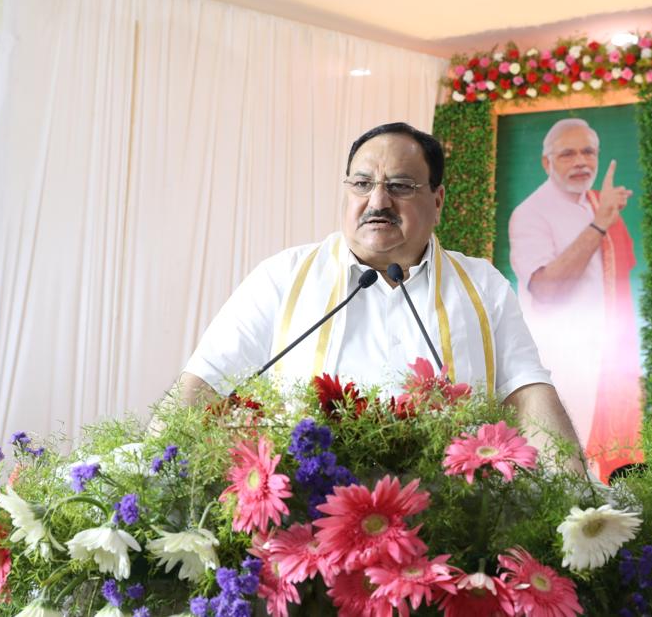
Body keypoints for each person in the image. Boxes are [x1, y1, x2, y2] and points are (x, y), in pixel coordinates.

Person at [171, 122, 580, 459]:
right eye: (362, 184)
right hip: (309, 522)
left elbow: (528, 394)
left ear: (437, 201)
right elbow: (203, 384)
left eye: (400, 186)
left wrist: (577, 499)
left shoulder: (481, 284)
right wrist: (154, 470)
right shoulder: (282, 277)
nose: (377, 201)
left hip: (455, 521)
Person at [507, 118, 641, 480]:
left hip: (607, 362)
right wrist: (599, 224)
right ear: (547, 163)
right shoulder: (530, 214)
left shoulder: (595, 203)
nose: (581, 161)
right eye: (568, 153)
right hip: (559, 366)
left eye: (588, 152)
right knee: (564, 466)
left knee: (607, 474)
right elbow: (547, 289)